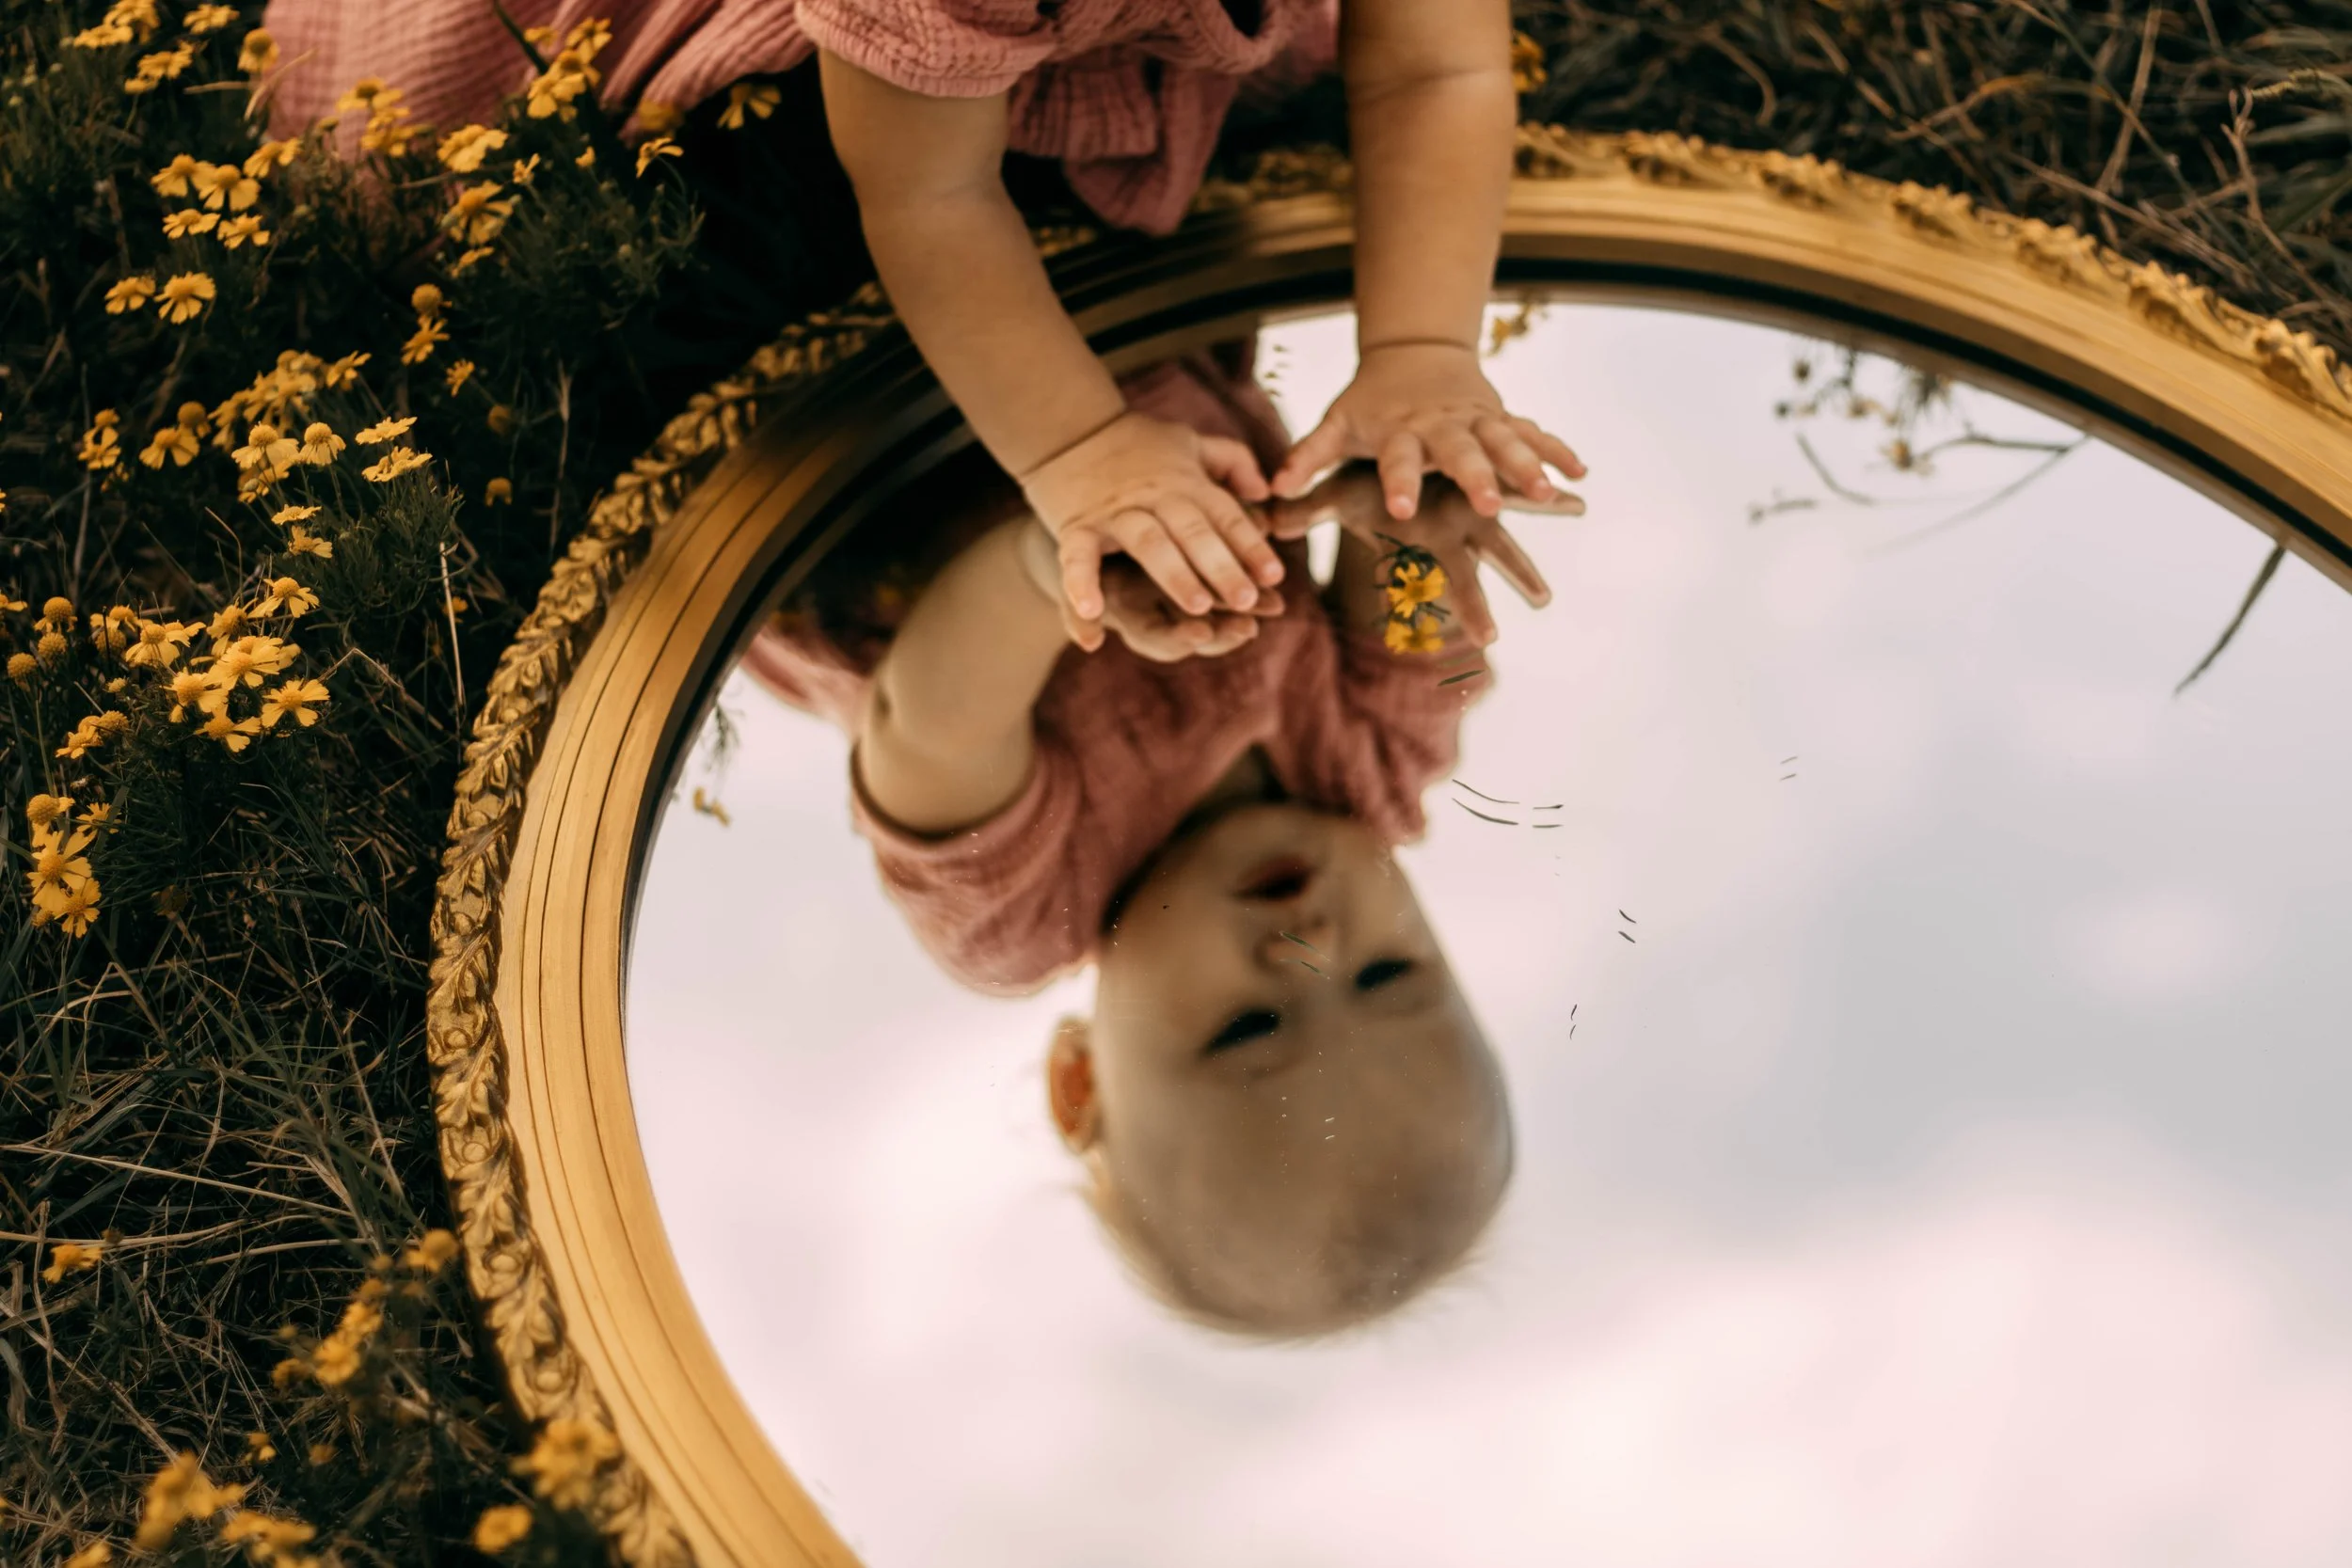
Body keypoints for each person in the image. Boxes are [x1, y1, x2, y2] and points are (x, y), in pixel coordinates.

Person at [259, 0, 1586, 637]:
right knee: (713, 234)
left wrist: (1420, 350)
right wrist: (1080, 450)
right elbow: (931, 196)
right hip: (837, 91)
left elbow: (1434, 69)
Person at [742, 345, 1581, 1335]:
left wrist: (1053, 570)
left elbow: (924, 731)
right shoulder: (1375, 758)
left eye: (1248, 1027)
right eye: (1388, 974)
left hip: (836, 462)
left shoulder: (1030, 910)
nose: (1311, 946)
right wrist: (1410, 521)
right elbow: (1406, 598)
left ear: (1079, 1082)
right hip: (1125, 336)